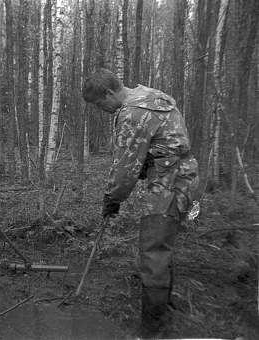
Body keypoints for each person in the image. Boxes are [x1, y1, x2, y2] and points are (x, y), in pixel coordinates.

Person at [82, 69, 199, 338]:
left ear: (110, 93)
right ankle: (165, 306)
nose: (102, 110)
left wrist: (112, 199)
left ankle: (153, 329)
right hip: (184, 176)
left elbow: (126, 168)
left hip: (169, 183)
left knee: (153, 247)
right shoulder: (149, 94)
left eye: (101, 104)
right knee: (163, 243)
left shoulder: (132, 113)